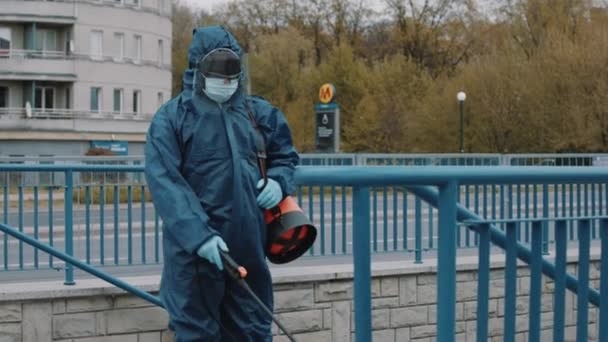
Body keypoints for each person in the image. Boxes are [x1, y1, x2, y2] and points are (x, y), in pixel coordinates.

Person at [144, 26, 299, 341]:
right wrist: (200, 237)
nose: (226, 84)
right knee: (196, 333)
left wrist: (280, 182)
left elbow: (286, 157)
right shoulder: (172, 119)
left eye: (232, 76)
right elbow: (166, 184)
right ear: (199, 69)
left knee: (253, 331)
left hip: (247, 252)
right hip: (195, 259)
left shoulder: (258, 113)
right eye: (219, 75)